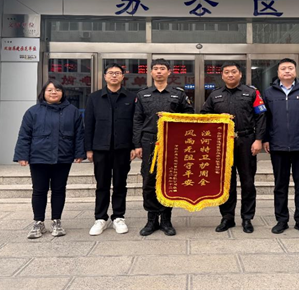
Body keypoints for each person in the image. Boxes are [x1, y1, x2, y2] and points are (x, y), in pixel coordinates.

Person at [13, 80, 85, 239]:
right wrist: (22, 155)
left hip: (63, 156)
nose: (54, 92)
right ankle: (38, 222)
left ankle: (56, 221)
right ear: (43, 93)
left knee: (59, 190)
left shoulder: (72, 111)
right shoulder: (33, 112)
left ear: (62, 93)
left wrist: (79, 153)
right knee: (39, 190)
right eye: (50, 90)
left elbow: (79, 134)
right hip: (39, 157)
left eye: (57, 89)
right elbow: (24, 135)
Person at [201, 62, 266, 234]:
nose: (230, 75)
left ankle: (247, 218)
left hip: (246, 140)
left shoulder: (251, 93)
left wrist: (259, 139)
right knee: (225, 182)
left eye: (234, 72)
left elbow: (261, 117)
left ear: (240, 74)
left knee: (248, 181)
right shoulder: (215, 94)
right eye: (227, 72)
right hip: (223, 143)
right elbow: (203, 115)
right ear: (222, 75)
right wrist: (217, 117)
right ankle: (227, 217)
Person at [133, 59, 194, 236]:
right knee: (148, 180)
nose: (159, 71)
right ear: (151, 72)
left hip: (171, 142)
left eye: (162, 69)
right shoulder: (143, 94)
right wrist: (137, 145)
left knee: (169, 180)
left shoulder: (178, 94)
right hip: (149, 141)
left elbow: (189, 116)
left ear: (169, 72)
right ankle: (151, 220)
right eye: (156, 69)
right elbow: (137, 120)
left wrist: (172, 118)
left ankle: (166, 219)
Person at [262, 58, 299, 236]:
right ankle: (281, 220)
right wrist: (265, 138)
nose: (287, 71)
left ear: (295, 71)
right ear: (278, 72)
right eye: (283, 68)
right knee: (280, 185)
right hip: (278, 145)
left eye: (290, 68)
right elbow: (264, 118)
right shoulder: (269, 92)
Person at [84, 63, 136, 236]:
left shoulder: (131, 97)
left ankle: (118, 217)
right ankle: (100, 218)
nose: (114, 75)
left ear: (122, 76)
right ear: (105, 76)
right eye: (111, 73)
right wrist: (89, 149)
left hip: (123, 148)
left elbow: (135, 124)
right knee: (102, 184)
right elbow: (89, 124)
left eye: (117, 73)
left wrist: (134, 146)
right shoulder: (94, 97)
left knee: (120, 183)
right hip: (100, 148)